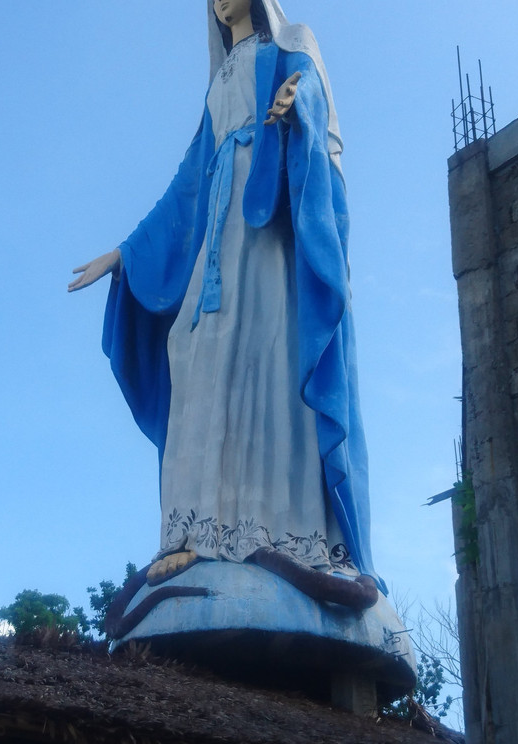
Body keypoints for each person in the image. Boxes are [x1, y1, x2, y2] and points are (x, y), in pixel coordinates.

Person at [70, 0, 384, 599]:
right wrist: (124, 253)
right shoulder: (219, 82)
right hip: (217, 240)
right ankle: (195, 529)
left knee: (268, 355)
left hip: (268, 236)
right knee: (194, 355)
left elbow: (319, 114)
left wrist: (297, 114)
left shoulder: (290, 44)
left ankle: (287, 531)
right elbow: (186, 185)